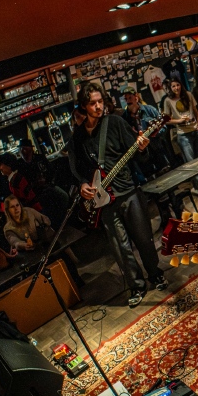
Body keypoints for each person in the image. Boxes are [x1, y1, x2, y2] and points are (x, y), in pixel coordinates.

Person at [67, 82, 167, 308]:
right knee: (120, 248)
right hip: (103, 200)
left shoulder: (114, 122)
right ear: (83, 106)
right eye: (93, 104)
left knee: (143, 238)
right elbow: (75, 169)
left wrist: (142, 147)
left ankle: (155, 275)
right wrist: (82, 184)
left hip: (128, 190)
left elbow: (139, 156)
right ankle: (136, 286)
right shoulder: (78, 137)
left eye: (100, 102)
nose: (98, 107)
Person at [1, 194, 85, 290]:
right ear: (8, 210)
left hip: (45, 243)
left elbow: (45, 219)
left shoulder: (28, 211)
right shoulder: (8, 228)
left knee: (63, 258)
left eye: (17, 205)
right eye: (12, 207)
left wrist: (43, 225)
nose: (16, 209)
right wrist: (24, 245)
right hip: (32, 254)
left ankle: (77, 282)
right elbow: (14, 241)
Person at [163, 77, 198, 198]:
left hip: (195, 131)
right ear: (170, 88)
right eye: (173, 86)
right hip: (183, 134)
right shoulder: (168, 101)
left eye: (177, 85)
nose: (176, 88)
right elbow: (166, 120)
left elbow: (196, 111)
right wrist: (179, 120)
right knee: (191, 164)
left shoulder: (188, 95)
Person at [122, 86, 171, 181]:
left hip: (156, 149)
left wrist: (153, 134)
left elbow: (164, 127)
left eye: (130, 97)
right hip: (141, 156)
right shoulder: (124, 118)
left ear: (136, 97)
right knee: (150, 181)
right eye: (126, 99)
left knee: (167, 177)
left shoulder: (149, 109)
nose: (128, 101)